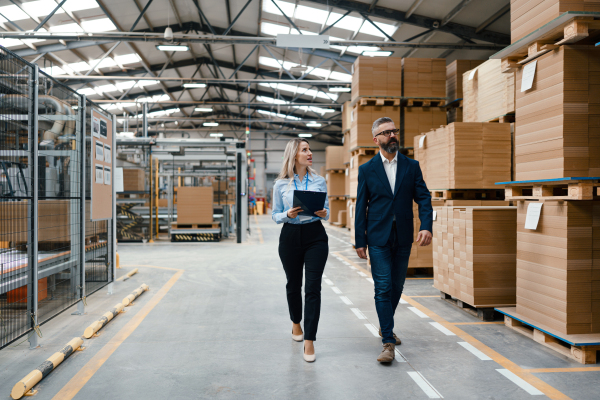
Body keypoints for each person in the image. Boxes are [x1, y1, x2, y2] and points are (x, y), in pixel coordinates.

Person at [354, 117, 433, 363]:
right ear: (376, 139)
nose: (393, 135)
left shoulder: (411, 166)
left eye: (395, 131)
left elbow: (424, 197)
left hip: (403, 237)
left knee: (397, 287)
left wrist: (427, 226)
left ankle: (384, 325)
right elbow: (360, 206)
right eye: (387, 132)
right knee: (384, 287)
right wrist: (360, 240)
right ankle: (388, 341)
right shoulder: (367, 169)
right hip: (377, 236)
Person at [272, 139, 329, 363]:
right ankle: (296, 323)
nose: (309, 153)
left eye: (309, 149)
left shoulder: (319, 181)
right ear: (294, 154)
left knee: (313, 288)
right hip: (290, 236)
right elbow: (275, 213)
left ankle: (310, 341)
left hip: (316, 236)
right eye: (305, 150)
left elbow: (328, 212)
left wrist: (324, 213)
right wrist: (288, 215)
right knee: (293, 284)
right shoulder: (280, 184)